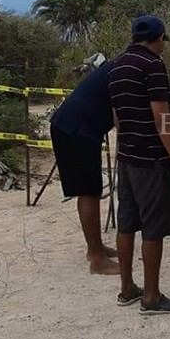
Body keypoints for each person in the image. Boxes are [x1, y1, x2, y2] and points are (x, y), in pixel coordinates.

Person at [108, 15, 170, 314]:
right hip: (152, 159)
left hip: (126, 157)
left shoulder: (116, 67)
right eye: (162, 41)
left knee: (127, 223)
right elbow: (162, 120)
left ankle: (127, 288)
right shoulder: (152, 65)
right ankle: (152, 297)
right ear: (158, 39)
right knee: (153, 227)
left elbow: (117, 118)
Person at [49, 59, 119, 275]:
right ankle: (97, 259)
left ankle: (95, 248)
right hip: (76, 130)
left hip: (76, 127)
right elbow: (120, 116)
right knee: (88, 191)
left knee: (91, 190)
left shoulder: (118, 66)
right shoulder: (125, 72)